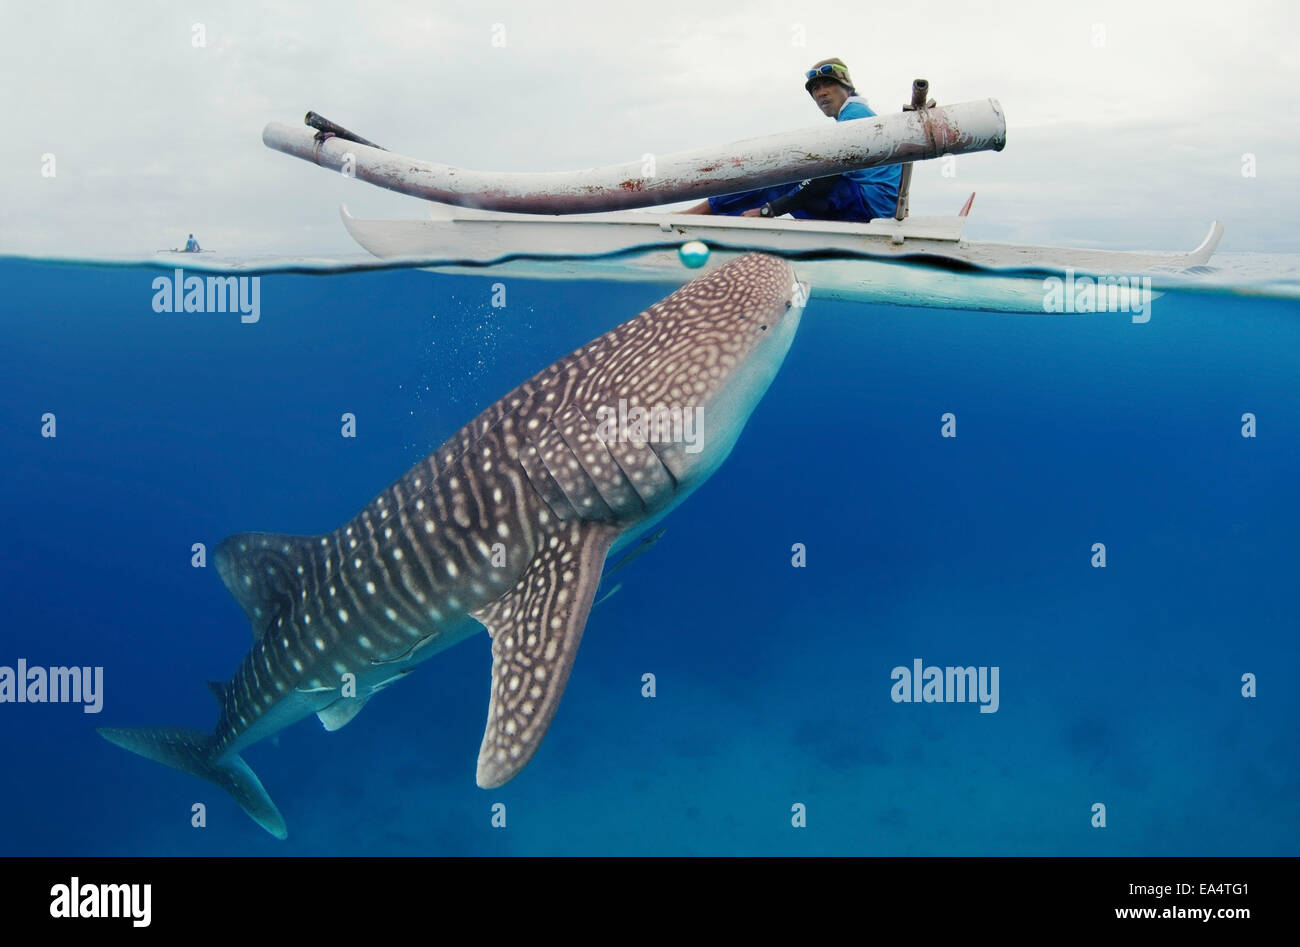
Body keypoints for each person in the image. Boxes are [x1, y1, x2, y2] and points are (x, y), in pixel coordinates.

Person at [683, 58, 901, 222]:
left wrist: (770, 210)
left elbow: (825, 180)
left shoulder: (854, 114)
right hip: (871, 206)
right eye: (815, 88)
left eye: (828, 84)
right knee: (792, 177)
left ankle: (694, 216)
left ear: (848, 88)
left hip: (867, 206)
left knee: (779, 174)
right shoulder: (858, 114)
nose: (821, 93)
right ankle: (710, 215)